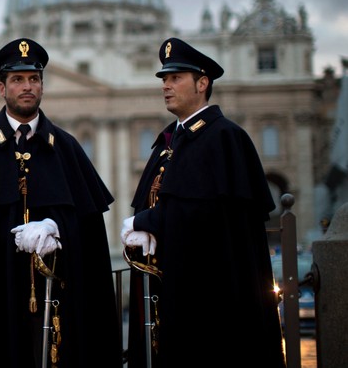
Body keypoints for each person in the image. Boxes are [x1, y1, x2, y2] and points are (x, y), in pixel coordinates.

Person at [0, 38, 120, 368]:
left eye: (34, 79)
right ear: (2, 88)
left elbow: (90, 236)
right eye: (17, 79)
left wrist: (57, 227)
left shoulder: (67, 149)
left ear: (42, 86)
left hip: (56, 300)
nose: (27, 87)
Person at [121, 37, 285, 368]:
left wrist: (146, 222)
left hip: (211, 291)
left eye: (176, 78)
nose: (166, 86)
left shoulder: (223, 137)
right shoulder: (170, 141)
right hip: (173, 285)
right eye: (164, 79)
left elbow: (208, 213)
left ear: (202, 83)